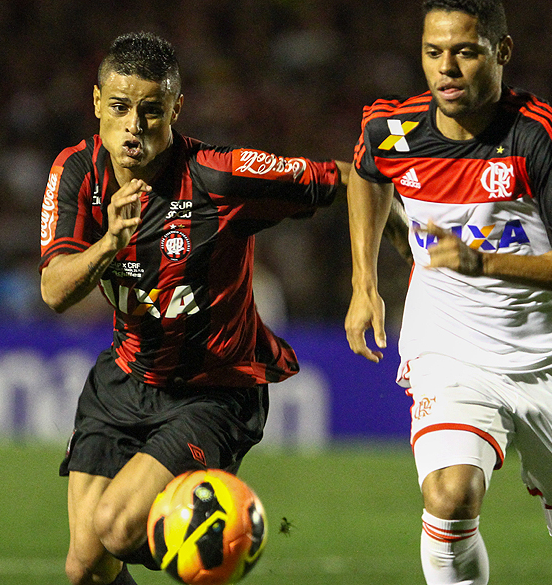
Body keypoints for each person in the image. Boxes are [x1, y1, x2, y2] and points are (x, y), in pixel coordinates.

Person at [39, 32, 351, 585]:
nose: (134, 124)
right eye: (119, 107)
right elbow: (55, 291)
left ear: (176, 110)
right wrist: (109, 242)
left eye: (151, 110)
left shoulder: (219, 177)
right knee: (85, 567)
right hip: (124, 380)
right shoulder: (76, 171)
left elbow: (344, 178)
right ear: (96, 104)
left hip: (212, 393)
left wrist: (381, 259)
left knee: (115, 528)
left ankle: (234, 534)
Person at [345, 2, 552, 584]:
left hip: (550, 358)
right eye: (433, 53)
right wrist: (364, 281)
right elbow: (366, 171)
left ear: (501, 53)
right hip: (450, 348)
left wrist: (486, 261)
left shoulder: (542, 136)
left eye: (465, 52)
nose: (446, 68)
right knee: (450, 498)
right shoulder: (394, 129)